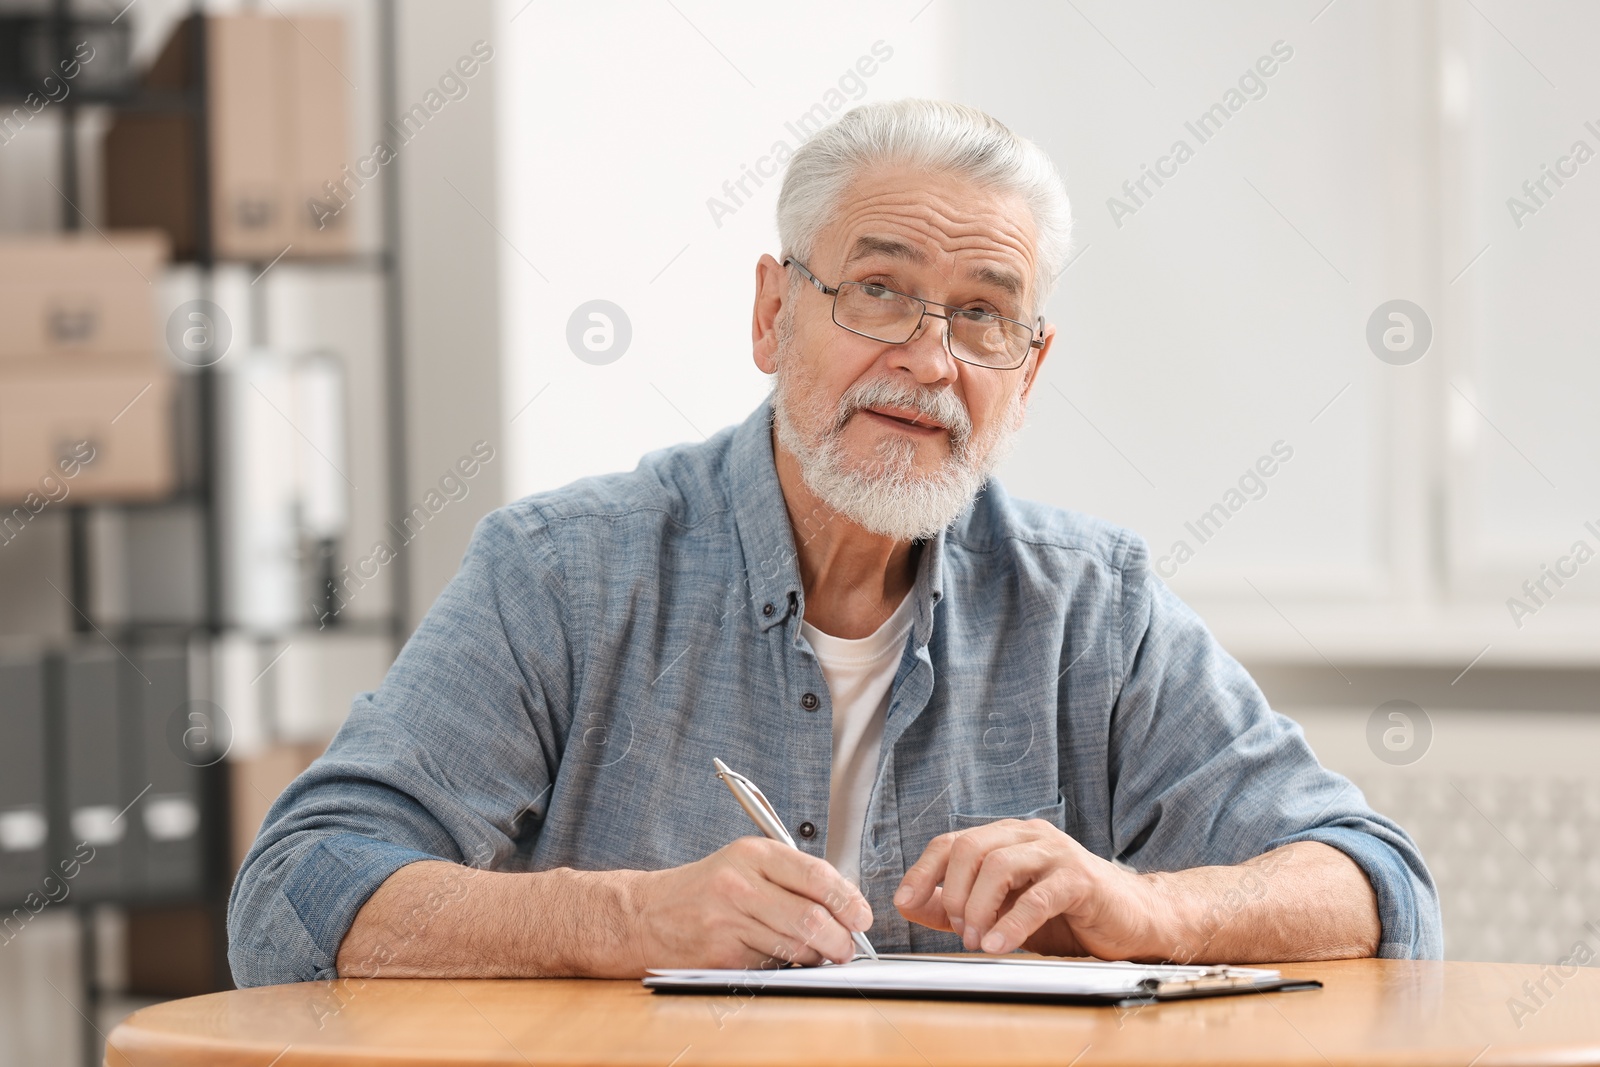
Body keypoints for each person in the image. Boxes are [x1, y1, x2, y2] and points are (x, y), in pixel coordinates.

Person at [227, 98, 1441, 986]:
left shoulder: (1092, 604)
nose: (928, 358)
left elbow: (1378, 885)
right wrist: (624, 919)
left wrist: (1149, 905)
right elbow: (294, 894)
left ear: (1031, 368)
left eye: (983, 313)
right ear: (771, 312)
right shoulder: (563, 572)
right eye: (878, 290)